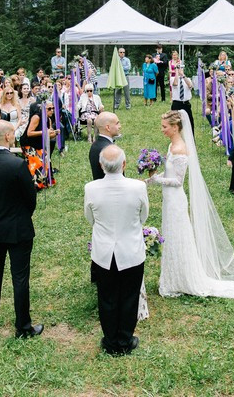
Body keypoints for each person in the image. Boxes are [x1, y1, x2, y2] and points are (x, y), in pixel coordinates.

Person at [147, 110, 234, 298]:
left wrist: (156, 181)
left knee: (179, 236)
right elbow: (169, 174)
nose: (162, 129)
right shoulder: (171, 145)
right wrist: (150, 179)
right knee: (172, 235)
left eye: (165, 126)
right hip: (168, 199)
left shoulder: (180, 149)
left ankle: (183, 278)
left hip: (176, 200)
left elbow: (178, 181)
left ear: (175, 127)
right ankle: (172, 277)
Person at [0, 120, 43, 338]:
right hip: (17, 227)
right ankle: (23, 326)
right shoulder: (17, 164)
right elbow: (30, 197)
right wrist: (23, 214)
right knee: (20, 276)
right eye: (12, 133)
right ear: (7, 137)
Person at [85, 144, 149, 356]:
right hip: (130, 248)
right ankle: (124, 339)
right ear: (124, 164)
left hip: (104, 252)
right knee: (129, 296)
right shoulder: (138, 187)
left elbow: (90, 218)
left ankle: (111, 339)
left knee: (107, 296)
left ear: (101, 166)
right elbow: (143, 216)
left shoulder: (91, 188)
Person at [89, 112, 121, 181]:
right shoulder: (109, 150)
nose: (120, 126)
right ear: (108, 128)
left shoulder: (94, 145)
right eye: (117, 123)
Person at [170, 62, 195, 136]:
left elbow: (190, 86)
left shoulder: (188, 79)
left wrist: (183, 75)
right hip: (176, 103)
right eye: (178, 68)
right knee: (175, 122)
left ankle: (190, 138)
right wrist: (177, 73)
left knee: (189, 122)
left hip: (185, 103)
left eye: (181, 68)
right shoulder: (172, 79)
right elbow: (175, 84)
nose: (180, 69)